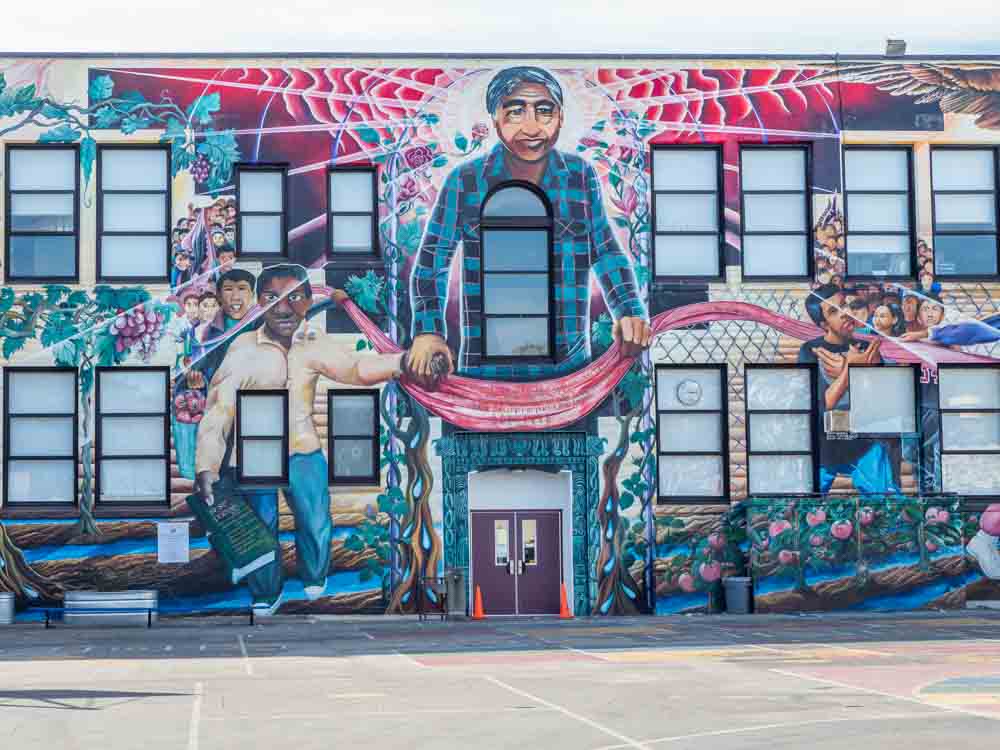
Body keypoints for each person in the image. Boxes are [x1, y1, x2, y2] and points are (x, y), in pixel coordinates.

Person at [408, 65, 651, 384]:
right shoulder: (465, 181)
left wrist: (629, 310)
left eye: (544, 111)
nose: (532, 127)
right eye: (516, 112)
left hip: (568, 370)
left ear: (561, 117)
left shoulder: (579, 176)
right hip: (485, 372)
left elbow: (604, 250)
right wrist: (428, 332)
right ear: (495, 119)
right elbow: (431, 262)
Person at [194, 265, 414, 615]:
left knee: (314, 519)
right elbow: (219, 409)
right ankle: (267, 592)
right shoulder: (243, 348)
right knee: (261, 529)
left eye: (294, 297)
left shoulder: (313, 341)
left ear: (308, 301)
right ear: (259, 303)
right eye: (272, 298)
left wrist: (403, 361)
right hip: (253, 455)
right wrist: (206, 465)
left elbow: (356, 369)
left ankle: (314, 574)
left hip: (302, 450)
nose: (282, 308)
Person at [798, 283, 900, 494]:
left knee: (886, 504)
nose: (845, 313)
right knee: (803, 504)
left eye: (845, 305)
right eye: (834, 311)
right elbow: (821, 404)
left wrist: (855, 373)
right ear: (823, 323)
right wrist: (850, 372)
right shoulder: (810, 350)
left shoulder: (867, 347)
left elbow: (884, 401)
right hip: (824, 444)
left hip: (864, 443)